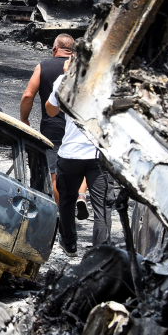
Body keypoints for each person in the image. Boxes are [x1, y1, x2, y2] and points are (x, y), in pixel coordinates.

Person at [46, 60, 112, 257]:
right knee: (102, 206)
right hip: (99, 154)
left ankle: (69, 244)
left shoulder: (64, 81)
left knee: (67, 199)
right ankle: (100, 251)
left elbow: (51, 111)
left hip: (71, 152)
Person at [19, 34, 88, 218]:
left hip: (53, 126)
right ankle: (81, 196)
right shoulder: (83, 68)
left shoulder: (43, 66)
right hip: (80, 127)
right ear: (72, 50)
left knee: (55, 172)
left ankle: (59, 213)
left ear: (55, 48)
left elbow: (28, 95)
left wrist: (24, 119)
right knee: (82, 162)